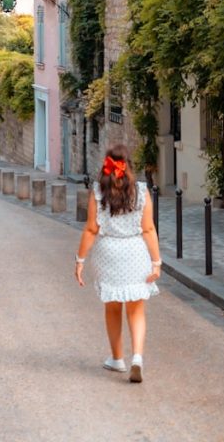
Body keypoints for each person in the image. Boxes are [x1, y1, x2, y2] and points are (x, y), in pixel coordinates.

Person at [75, 145, 161, 382]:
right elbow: (149, 229)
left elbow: (91, 229)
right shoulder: (141, 191)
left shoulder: (98, 191)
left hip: (108, 253)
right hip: (135, 253)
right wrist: (156, 262)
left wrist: (80, 260)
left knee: (113, 308)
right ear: (129, 165)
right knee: (136, 310)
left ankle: (117, 359)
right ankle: (137, 358)